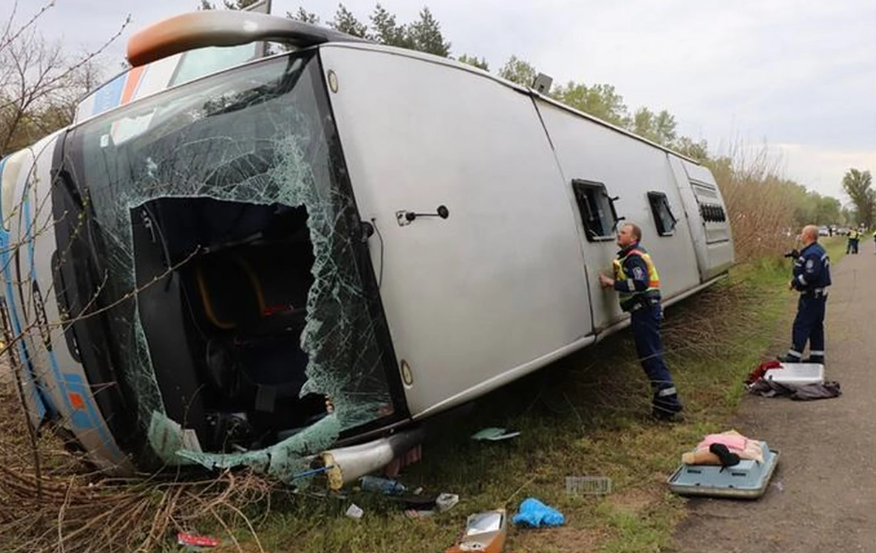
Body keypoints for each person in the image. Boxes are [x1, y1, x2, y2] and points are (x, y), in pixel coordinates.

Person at [599, 222, 683, 420]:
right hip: (645, 311)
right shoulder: (631, 256)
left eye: (623, 232)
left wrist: (612, 283)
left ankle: (669, 407)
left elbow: (640, 282)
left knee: (651, 358)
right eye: (619, 231)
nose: (618, 235)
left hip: (644, 311)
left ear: (633, 238)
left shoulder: (634, 258)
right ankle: (664, 406)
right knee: (650, 357)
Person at [778, 224, 831, 364]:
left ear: (808, 235)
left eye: (802, 233)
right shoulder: (814, 250)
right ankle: (817, 356)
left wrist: (794, 283)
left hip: (812, 296)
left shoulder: (813, 253)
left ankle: (794, 356)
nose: (800, 236)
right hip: (818, 295)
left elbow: (811, 274)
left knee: (801, 324)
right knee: (815, 325)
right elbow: (809, 266)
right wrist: (798, 257)